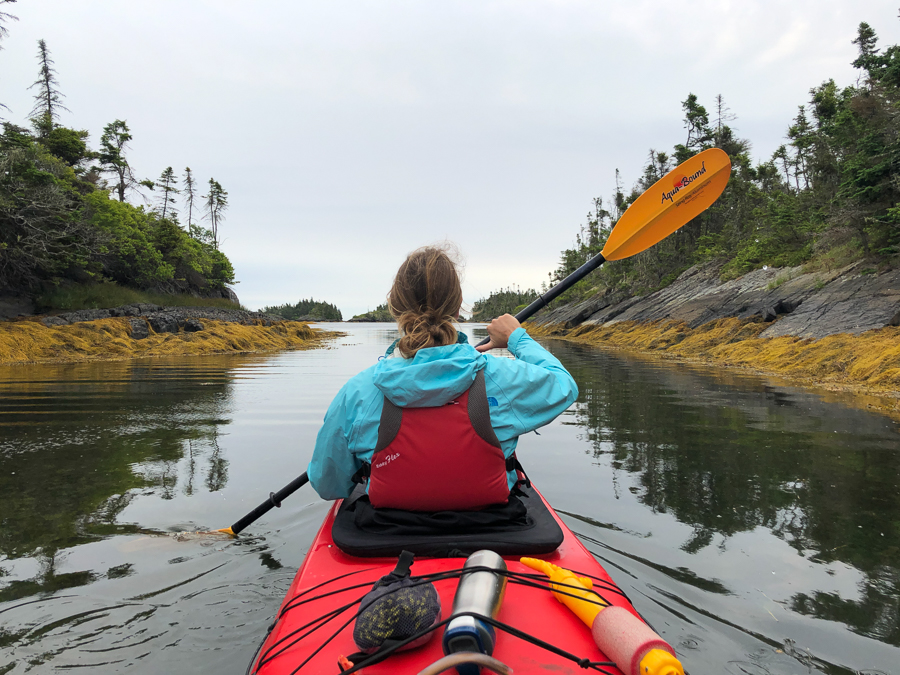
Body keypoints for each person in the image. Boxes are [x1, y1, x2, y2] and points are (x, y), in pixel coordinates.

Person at [307, 245, 578, 512]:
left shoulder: (358, 392)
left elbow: (328, 486)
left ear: (395, 308)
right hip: (491, 524)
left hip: (385, 528)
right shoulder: (500, 377)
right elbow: (564, 386)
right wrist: (516, 338)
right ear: (458, 307)